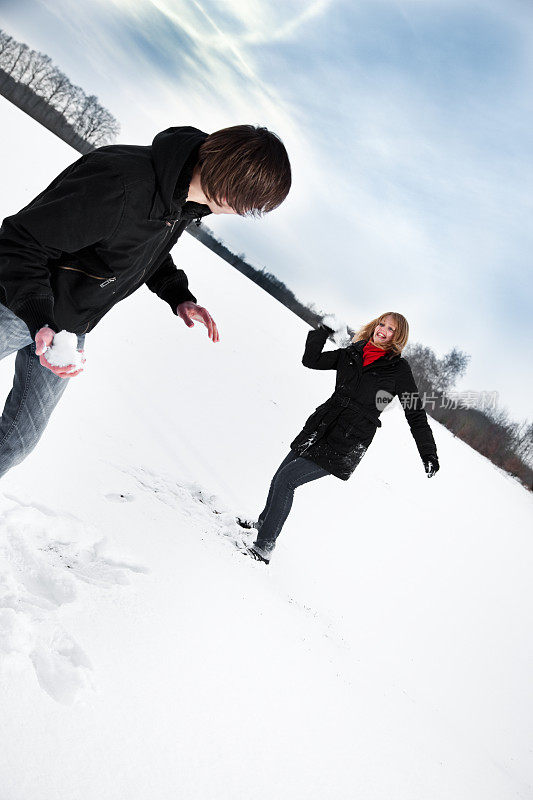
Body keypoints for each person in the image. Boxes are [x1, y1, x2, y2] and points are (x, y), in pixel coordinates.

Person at [0, 124, 291, 479]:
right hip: (13, 303)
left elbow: (141, 252)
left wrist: (178, 295)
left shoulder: (182, 202)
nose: (245, 212)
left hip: (66, 329)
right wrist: (37, 315)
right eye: (250, 201)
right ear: (232, 183)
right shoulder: (121, 182)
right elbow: (21, 241)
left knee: (17, 441)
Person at [241, 312, 439, 564]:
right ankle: (263, 524)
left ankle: (264, 548)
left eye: (391, 329)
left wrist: (428, 452)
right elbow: (311, 360)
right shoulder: (353, 352)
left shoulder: (398, 369)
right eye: (382, 324)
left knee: (287, 480)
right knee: (281, 474)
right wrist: (322, 331)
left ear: (397, 337)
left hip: (348, 439)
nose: (383, 330)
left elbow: (416, 413)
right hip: (323, 424)